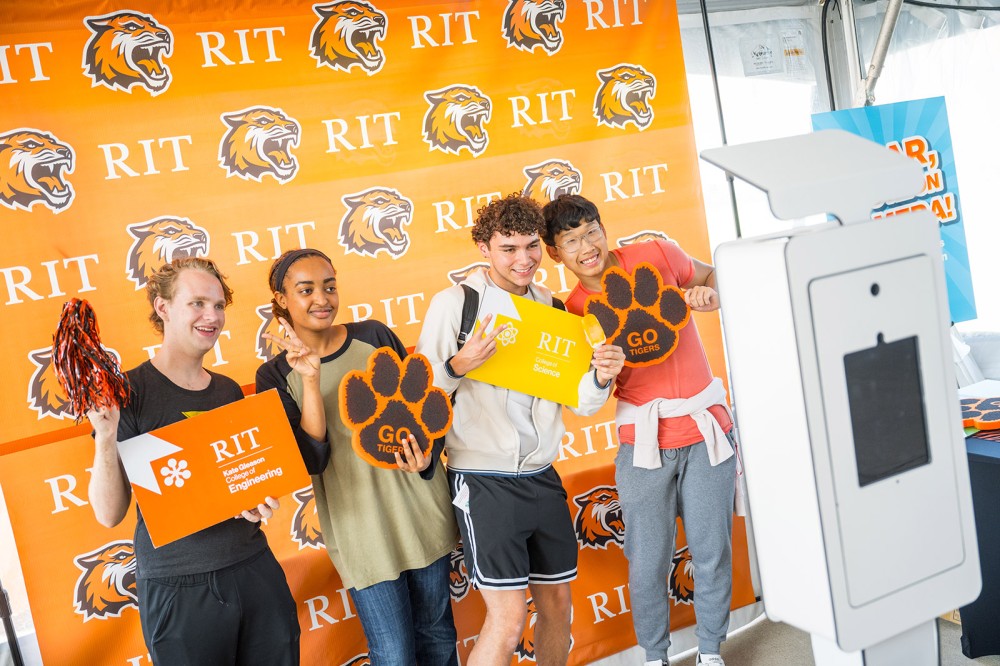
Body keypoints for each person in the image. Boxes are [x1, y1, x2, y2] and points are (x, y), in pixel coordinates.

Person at [416, 193, 625, 665]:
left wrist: (599, 377)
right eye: (508, 248)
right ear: (483, 248)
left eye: (531, 246)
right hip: (483, 480)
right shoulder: (455, 304)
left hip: (542, 475)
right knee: (508, 621)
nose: (523, 258)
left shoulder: (553, 307)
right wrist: (458, 364)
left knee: (557, 606)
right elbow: (421, 397)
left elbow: (582, 402)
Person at [541, 194, 737, 666]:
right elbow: (586, 396)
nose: (587, 246)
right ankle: (655, 656)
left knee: (712, 550)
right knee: (647, 560)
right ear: (554, 253)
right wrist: (600, 372)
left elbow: (716, 276)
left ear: (604, 228)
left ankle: (711, 652)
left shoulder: (657, 254)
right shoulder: (571, 314)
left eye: (592, 231)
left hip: (706, 429)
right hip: (643, 445)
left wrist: (710, 293)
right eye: (571, 241)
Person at [87, 257, 301, 665]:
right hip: (179, 588)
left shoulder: (227, 391)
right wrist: (106, 434)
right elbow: (108, 513)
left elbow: (235, 489)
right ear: (162, 307)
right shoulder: (126, 393)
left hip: (255, 571)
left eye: (219, 306)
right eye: (197, 303)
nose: (212, 316)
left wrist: (257, 500)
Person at [255, 248, 459, 666]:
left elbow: (426, 413)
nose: (322, 299)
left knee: (438, 639)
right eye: (306, 289)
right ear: (281, 299)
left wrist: (426, 458)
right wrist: (310, 380)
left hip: (421, 512)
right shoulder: (274, 376)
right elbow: (309, 460)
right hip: (361, 532)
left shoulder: (375, 335)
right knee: (394, 654)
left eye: (330, 286)